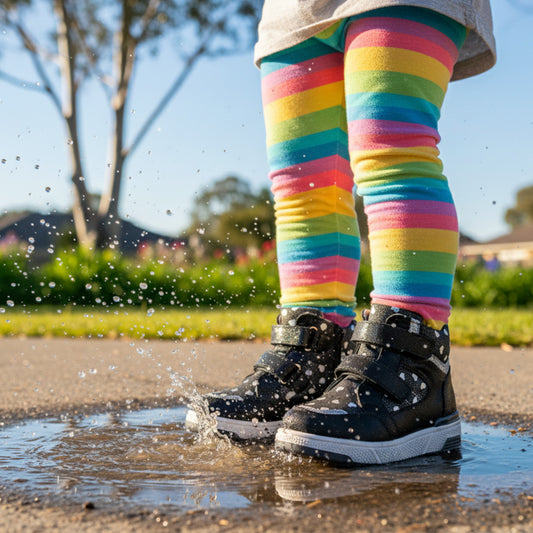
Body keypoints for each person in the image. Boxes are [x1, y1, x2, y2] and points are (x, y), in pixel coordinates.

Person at [186, 0, 496, 465]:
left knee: (392, 147)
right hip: (296, 11)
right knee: (302, 182)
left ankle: (412, 367)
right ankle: (315, 356)